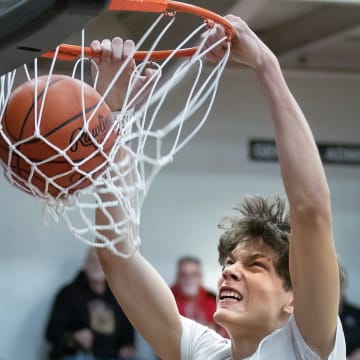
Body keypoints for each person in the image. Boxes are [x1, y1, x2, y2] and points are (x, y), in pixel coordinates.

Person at [90, 14, 346, 360]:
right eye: (229, 262)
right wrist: (111, 115)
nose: (228, 271)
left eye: (256, 265)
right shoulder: (205, 352)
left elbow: (311, 210)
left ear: (293, 298)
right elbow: (115, 255)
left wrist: (265, 64)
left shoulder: (305, 346)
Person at [46, 249, 136, 360]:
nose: (97, 265)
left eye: (101, 262)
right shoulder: (68, 294)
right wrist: (74, 338)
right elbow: (51, 333)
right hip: (77, 355)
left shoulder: (118, 296)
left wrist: (127, 347)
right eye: (92, 261)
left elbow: (128, 335)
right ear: (85, 264)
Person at [171, 256, 227, 336]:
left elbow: (223, 331)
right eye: (183, 274)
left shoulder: (214, 299)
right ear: (177, 276)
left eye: (193, 275)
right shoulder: (166, 298)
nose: (188, 279)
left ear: (200, 276)